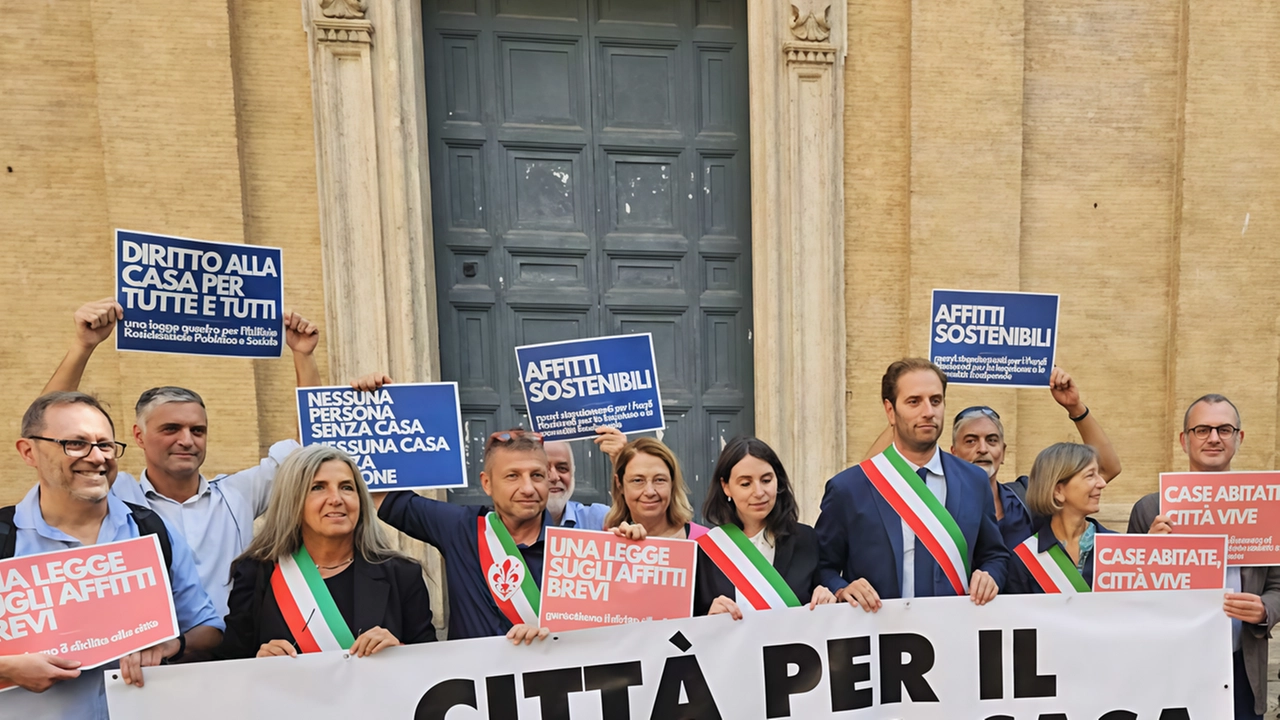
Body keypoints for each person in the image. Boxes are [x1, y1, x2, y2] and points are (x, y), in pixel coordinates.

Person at [41, 297, 323, 617]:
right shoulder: (115, 494)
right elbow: (48, 436)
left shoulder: (236, 494)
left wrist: (303, 355)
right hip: (145, 659)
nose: (186, 441)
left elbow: (311, 449)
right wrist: (83, 346)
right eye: (171, 429)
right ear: (138, 436)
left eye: (198, 431)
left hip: (231, 656)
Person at [362, 374, 641, 644]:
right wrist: (372, 406)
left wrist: (637, 542)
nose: (528, 488)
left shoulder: (578, 551)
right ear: (487, 483)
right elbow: (380, 487)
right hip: (473, 688)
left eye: (537, 475)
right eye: (512, 476)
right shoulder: (458, 527)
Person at [3, 392, 223, 719]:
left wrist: (171, 646)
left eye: (105, 445)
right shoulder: (5, 539)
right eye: (75, 444)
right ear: (29, 451)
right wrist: (6, 668)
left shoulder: (151, 530)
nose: (97, 458)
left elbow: (209, 630)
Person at [1127, 394, 1280, 720]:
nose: (1213, 438)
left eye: (1224, 429)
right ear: (1184, 440)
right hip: (1171, 667)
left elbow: (1279, 587)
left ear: (1239, 438)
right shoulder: (1149, 510)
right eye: (1202, 430)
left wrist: (1265, 609)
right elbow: (1127, 597)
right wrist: (1148, 555)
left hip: (1240, 664)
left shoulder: (1267, 507)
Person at [816, 358, 1009, 611]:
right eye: (914, 401)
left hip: (955, 634)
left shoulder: (974, 481)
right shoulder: (849, 488)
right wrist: (841, 588)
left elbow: (994, 555)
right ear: (890, 410)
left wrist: (990, 575)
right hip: (879, 637)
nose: (928, 411)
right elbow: (821, 566)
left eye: (936, 400)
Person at [213, 445, 435, 659]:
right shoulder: (256, 572)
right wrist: (259, 661)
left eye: (347, 487)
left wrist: (401, 651)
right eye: (318, 487)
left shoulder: (402, 574)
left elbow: (433, 666)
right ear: (292, 501)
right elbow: (231, 666)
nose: (336, 499)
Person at [867, 367, 1121, 548]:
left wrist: (1074, 407)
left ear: (1003, 452)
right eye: (970, 441)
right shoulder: (932, 498)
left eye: (991, 440)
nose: (982, 449)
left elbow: (1107, 468)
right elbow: (871, 478)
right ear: (952, 452)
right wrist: (903, 415)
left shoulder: (1027, 497)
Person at [694, 436, 837, 617]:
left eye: (766, 480)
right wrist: (708, 618)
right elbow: (686, 624)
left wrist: (826, 599)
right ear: (726, 487)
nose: (759, 492)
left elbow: (822, 604)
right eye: (746, 484)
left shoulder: (805, 538)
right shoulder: (706, 550)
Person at [1005, 443, 1113, 593]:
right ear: (1058, 491)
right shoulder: (1024, 559)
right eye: (1090, 475)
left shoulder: (1117, 548)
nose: (1102, 483)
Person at [605, 437, 707, 540]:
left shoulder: (705, 541)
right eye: (638, 480)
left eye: (659, 480)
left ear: (672, 483)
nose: (650, 492)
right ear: (619, 484)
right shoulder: (605, 540)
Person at [544, 440, 607, 530]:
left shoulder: (597, 519)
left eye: (562, 468)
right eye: (544, 469)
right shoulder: (517, 527)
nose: (554, 477)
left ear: (573, 472)